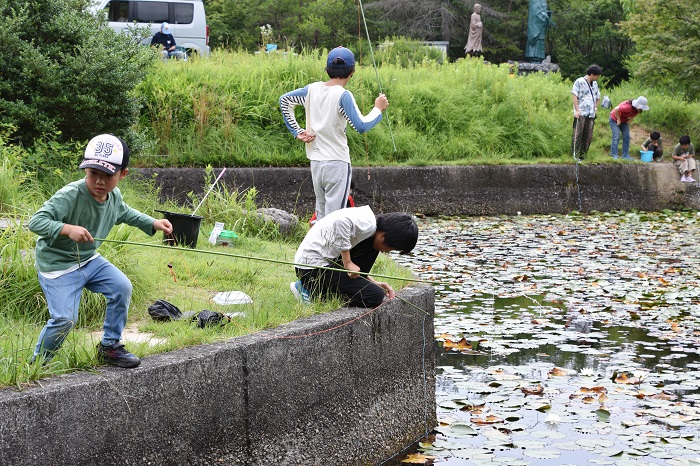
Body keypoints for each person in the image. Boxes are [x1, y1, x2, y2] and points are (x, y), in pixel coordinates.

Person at [28, 134, 173, 367]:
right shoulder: (70, 195)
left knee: (121, 287)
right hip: (58, 267)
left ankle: (109, 347)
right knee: (65, 319)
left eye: (107, 176)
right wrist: (66, 229)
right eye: (93, 173)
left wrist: (153, 223)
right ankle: (37, 364)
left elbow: (125, 213)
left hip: (88, 260)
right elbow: (36, 222)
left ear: (123, 174)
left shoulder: (113, 196)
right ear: (85, 170)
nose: (99, 181)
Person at [279, 46, 389, 223]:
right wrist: (378, 108)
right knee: (334, 219)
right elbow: (360, 126)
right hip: (337, 163)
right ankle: (330, 250)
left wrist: (297, 131)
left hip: (316, 162)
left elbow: (285, 100)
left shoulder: (311, 89)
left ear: (327, 69)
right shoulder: (343, 95)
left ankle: (319, 250)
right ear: (352, 72)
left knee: (321, 215)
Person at [291, 206, 418, 308]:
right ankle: (311, 290)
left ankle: (317, 289)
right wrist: (347, 262)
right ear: (383, 236)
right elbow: (340, 222)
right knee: (375, 297)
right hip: (311, 268)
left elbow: (356, 269)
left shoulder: (371, 228)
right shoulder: (368, 225)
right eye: (391, 248)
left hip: (322, 265)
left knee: (372, 250)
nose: (387, 252)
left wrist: (374, 283)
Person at [571, 64, 602, 160]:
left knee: (588, 135)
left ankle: (583, 156)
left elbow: (598, 97)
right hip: (581, 113)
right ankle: (575, 156)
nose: (598, 77)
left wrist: (595, 109)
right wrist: (577, 110)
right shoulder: (579, 81)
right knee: (578, 134)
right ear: (592, 74)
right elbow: (574, 95)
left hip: (591, 114)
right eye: (597, 75)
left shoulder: (595, 84)